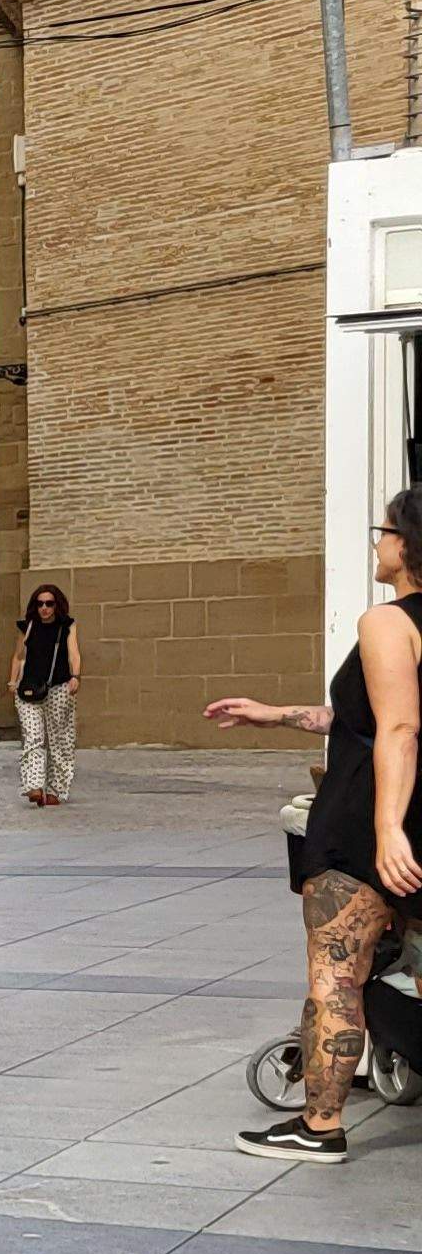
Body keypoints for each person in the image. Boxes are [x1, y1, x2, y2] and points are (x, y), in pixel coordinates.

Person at [205, 490, 422, 1162]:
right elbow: (367, 717)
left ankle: (320, 1124)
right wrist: (277, 715)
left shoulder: (387, 623)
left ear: (409, 544)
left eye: (382, 531)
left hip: (368, 827)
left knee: (338, 974)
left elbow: (399, 727)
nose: (377, 543)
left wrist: (388, 828)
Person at [17, 583, 83, 806]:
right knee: (33, 737)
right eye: (40, 604)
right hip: (29, 688)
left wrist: (75, 676)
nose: (44, 608)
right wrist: (11, 680)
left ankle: (56, 789)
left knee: (60, 741)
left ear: (57, 605)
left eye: (49, 603)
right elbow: (18, 656)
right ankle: (34, 786)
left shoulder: (67, 626)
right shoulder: (27, 626)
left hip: (58, 687)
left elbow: (74, 653)